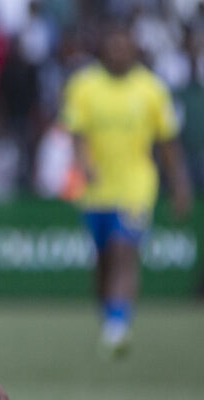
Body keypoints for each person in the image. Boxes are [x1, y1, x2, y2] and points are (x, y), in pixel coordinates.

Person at [61, 20, 193, 358]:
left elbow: (167, 142)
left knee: (123, 252)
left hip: (136, 186)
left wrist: (179, 185)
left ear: (134, 49)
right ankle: (109, 316)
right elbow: (76, 133)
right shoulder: (84, 85)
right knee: (104, 260)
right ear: (103, 49)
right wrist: (83, 163)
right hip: (96, 190)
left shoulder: (151, 89)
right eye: (113, 45)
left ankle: (118, 325)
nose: (119, 51)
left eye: (124, 45)